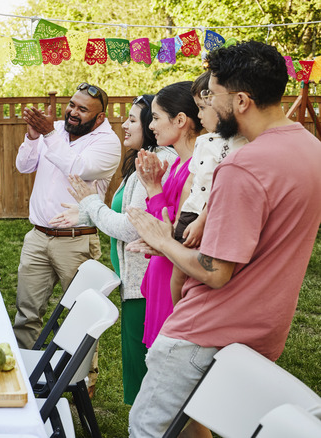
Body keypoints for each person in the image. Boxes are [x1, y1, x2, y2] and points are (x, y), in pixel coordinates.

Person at [126, 41, 321, 437]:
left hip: (204, 333)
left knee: (147, 431)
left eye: (212, 96)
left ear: (242, 101)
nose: (206, 106)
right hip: (262, 332)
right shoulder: (311, 150)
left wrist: (163, 239)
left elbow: (215, 272)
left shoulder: (242, 166)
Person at [51, 94, 178, 405]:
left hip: (146, 284)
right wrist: (85, 212)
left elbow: (130, 227)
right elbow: (122, 215)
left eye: (133, 119)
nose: (125, 124)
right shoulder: (143, 158)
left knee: (146, 374)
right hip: (136, 282)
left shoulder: (156, 161)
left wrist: (90, 204)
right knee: (141, 367)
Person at [12, 82, 121, 351]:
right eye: (72, 104)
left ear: (100, 118)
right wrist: (33, 137)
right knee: (26, 313)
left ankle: (82, 382)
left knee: (79, 315)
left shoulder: (108, 142)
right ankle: (27, 373)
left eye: (83, 109)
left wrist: (49, 134)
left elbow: (77, 167)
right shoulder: (56, 131)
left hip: (75, 240)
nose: (73, 112)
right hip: (37, 236)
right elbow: (24, 166)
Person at [132, 82, 202, 349]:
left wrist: (153, 187)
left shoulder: (197, 169)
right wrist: (154, 186)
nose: (151, 126)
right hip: (161, 270)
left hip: (175, 272)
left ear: (181, 120)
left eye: (157, 117)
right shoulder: (177, 164)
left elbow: (172, 232)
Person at [167, 71, 247, 304]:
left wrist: (202, 221)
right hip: (191, 212)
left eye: (203, 108)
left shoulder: (239, 143)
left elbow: (222, 189)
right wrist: (181, 216)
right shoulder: (203, 141)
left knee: (206, 273)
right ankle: (176, 314)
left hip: (213, 216)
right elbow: (191, 182)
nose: (199, 115)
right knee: (179, 272)